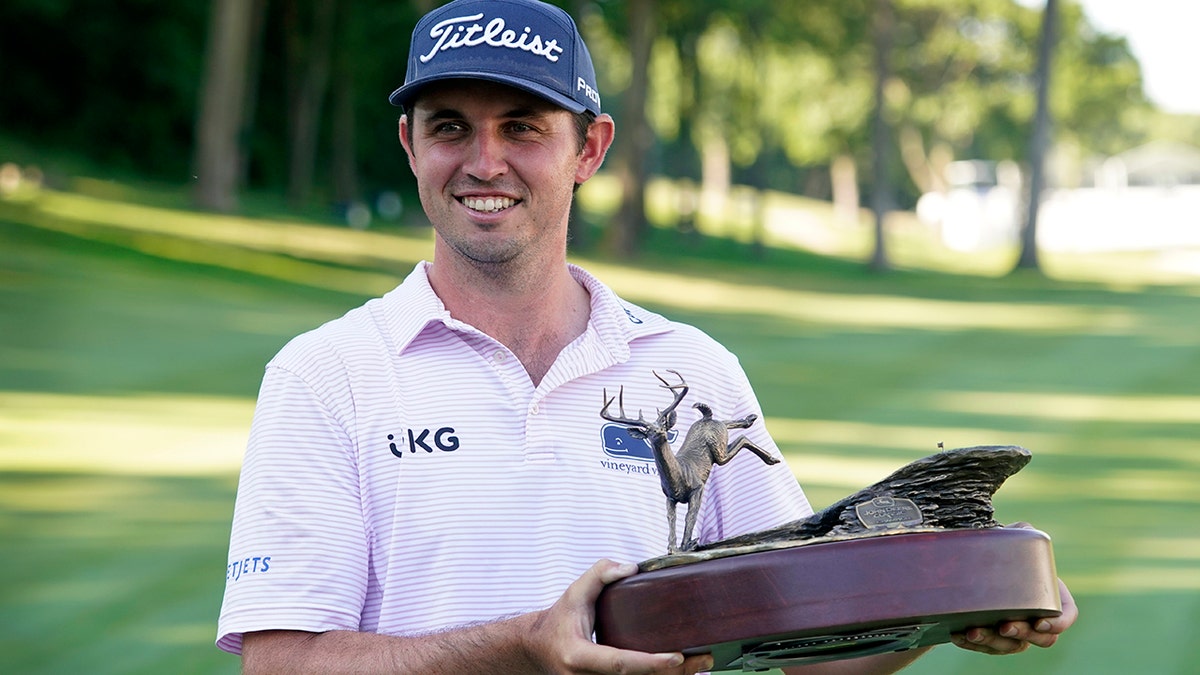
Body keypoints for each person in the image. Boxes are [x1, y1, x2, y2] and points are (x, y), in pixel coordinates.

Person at [216, 1, 1077, 673]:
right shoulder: (325, 375)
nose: (484, 161)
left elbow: (808, 630)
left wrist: (957, 603)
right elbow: (283, 661)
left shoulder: (693, 369)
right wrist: (521, 645)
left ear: (589, 148)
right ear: (409, 144)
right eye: (450, 126)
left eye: (522, 126)